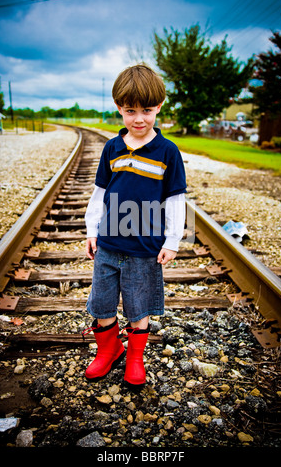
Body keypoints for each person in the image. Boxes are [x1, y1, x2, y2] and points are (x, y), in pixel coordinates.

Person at [83, 63, 186, 389]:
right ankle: (109, 349)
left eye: (146, 110)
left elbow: (175, 200)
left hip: (145, 249)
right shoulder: (112, 148)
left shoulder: (167, 152)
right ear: (119, 109)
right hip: (109, 246)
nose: (138, 118)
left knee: (139, 306)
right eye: (130, 111)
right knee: (102, 303)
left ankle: (135, 358)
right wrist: (91, 229)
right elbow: (100, 193)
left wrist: (172, 241)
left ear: (159, 107)